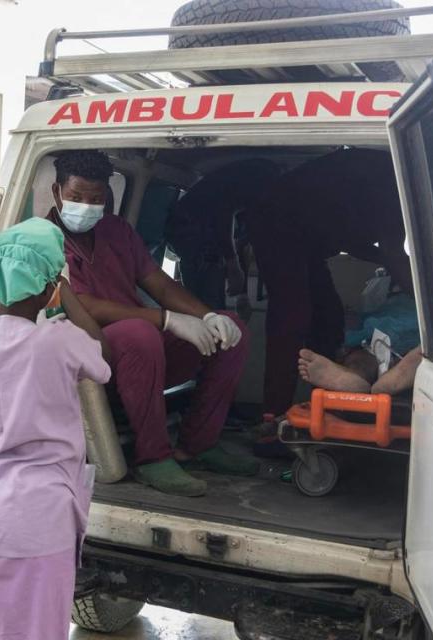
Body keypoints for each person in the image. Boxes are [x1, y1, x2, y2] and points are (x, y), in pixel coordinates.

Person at [46, 150, 257, 498]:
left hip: (143, 355)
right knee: (138, 333)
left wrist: (206, 316)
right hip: (90, 356)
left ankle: (198, 444)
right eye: (76, 197)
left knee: (231, 331)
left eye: (96, 199)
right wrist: (167, 320)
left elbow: (158, 283)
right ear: (57, 192)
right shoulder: (44, 240)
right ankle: (153, 457)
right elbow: (85, 306)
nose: (86, 206)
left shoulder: (116, 231)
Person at [0, 217, 111, 640]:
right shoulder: (58, 340)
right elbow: (100, 357)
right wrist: (65, 294)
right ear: (51, 285)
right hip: (35, 522)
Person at [245, 148, 413, 420]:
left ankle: (332, 389)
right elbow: (391, 252)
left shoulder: (376, 180)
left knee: (329, 316)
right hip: (278, 224)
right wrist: (423, 297)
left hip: (305, 237)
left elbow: (359, 243)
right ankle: (272, 417)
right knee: (292, 317)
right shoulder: (395, 182)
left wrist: (395, 263)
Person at [165, 159, 281, 309]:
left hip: (191, 235)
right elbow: (224, 215)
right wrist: (232, 264)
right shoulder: (260, 182)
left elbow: (240, 242)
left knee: (206, 302)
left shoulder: (251, 203)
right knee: (207, 304)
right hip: (192, 233)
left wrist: (243, 295)